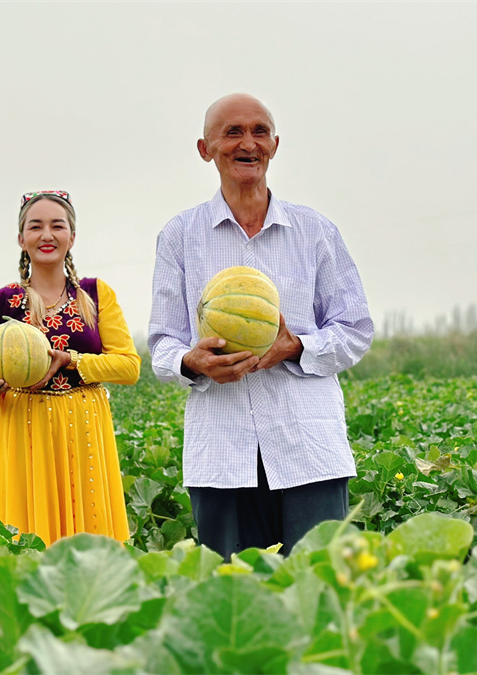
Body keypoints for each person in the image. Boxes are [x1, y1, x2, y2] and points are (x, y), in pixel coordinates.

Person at [148, 94, 374, 559]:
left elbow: (355, 330)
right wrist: (192, 361)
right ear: (205, 148)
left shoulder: (316, 231)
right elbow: (163, 344)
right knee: (233, 600)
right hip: (221, 455)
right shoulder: (179, 236)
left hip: (309, 450)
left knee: (319, 591)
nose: (247, 143)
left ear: (274, 144)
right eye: (232, 132)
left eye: (259, 131)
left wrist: (297, 347)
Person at [0, 190, 140, 546]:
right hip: (24, 431)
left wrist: (73, 360)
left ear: (72, 236)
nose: (46, 235)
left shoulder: (96, 294)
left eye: (57, 226)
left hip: (84, 428)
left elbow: (129, 367)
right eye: (35, 227)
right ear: (21, 239)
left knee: (90, 540)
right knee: (28, 541)